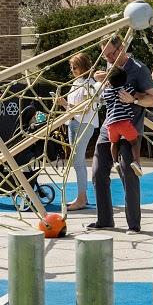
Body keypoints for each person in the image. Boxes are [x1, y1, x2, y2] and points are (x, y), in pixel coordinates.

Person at [90, 35, 153, 233]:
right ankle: (104, 220)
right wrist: (100, 81)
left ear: (122, 48)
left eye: (111, 54)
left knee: (128, 172)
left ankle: (133, 224)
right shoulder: (110, 68)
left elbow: (152, 100)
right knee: (98, 171)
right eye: (105, 56)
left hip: (130, 127)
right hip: (110, 126)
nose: (109, 58)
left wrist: (133, 99)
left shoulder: (139, 69)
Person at [58, 53, 101, 212]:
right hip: (74, 123)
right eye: (71, 67)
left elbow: (85, 108)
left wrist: (65, 104)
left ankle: (81, 198)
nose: (72, 70)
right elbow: (75, 108)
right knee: (77, 161)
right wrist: (64, 105)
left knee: (78, 161)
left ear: (83, 67)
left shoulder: (89, 84)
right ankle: (82, 196)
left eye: (75, 67)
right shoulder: (77, 82)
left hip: (84, 124)